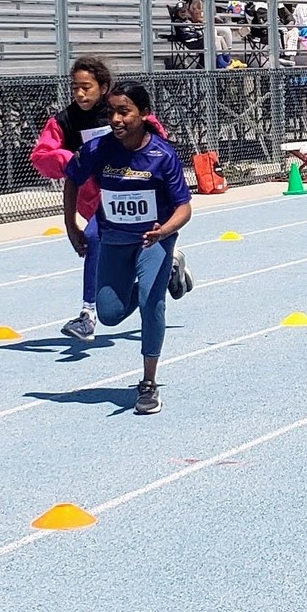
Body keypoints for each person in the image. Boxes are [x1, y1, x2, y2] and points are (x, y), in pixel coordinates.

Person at [63, 82, 193, 414]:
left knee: (151, 302)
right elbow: (72, 178)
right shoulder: (99, 149)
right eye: (112, 112)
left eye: (124, 112)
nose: (116, 119)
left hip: (154, 240)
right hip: (114, 241)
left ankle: (148, 383)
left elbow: (184, 208)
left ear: (143, 114)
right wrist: (71, 225)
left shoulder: (162, 155)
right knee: (109, 314)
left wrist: (163, 231)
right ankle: (169, 275)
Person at [30, 58, 177, 343]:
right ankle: (166, 271)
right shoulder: (65, 120)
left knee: (98, 238)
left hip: (135, 196)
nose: (80, 94)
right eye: (75, 88)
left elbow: (156, 135)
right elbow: (41, 156)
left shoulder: (121, 110)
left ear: (104, 87)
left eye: (86, 87)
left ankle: (88, 314)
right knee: (99, 243)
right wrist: (69, 159)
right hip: (97, 202)